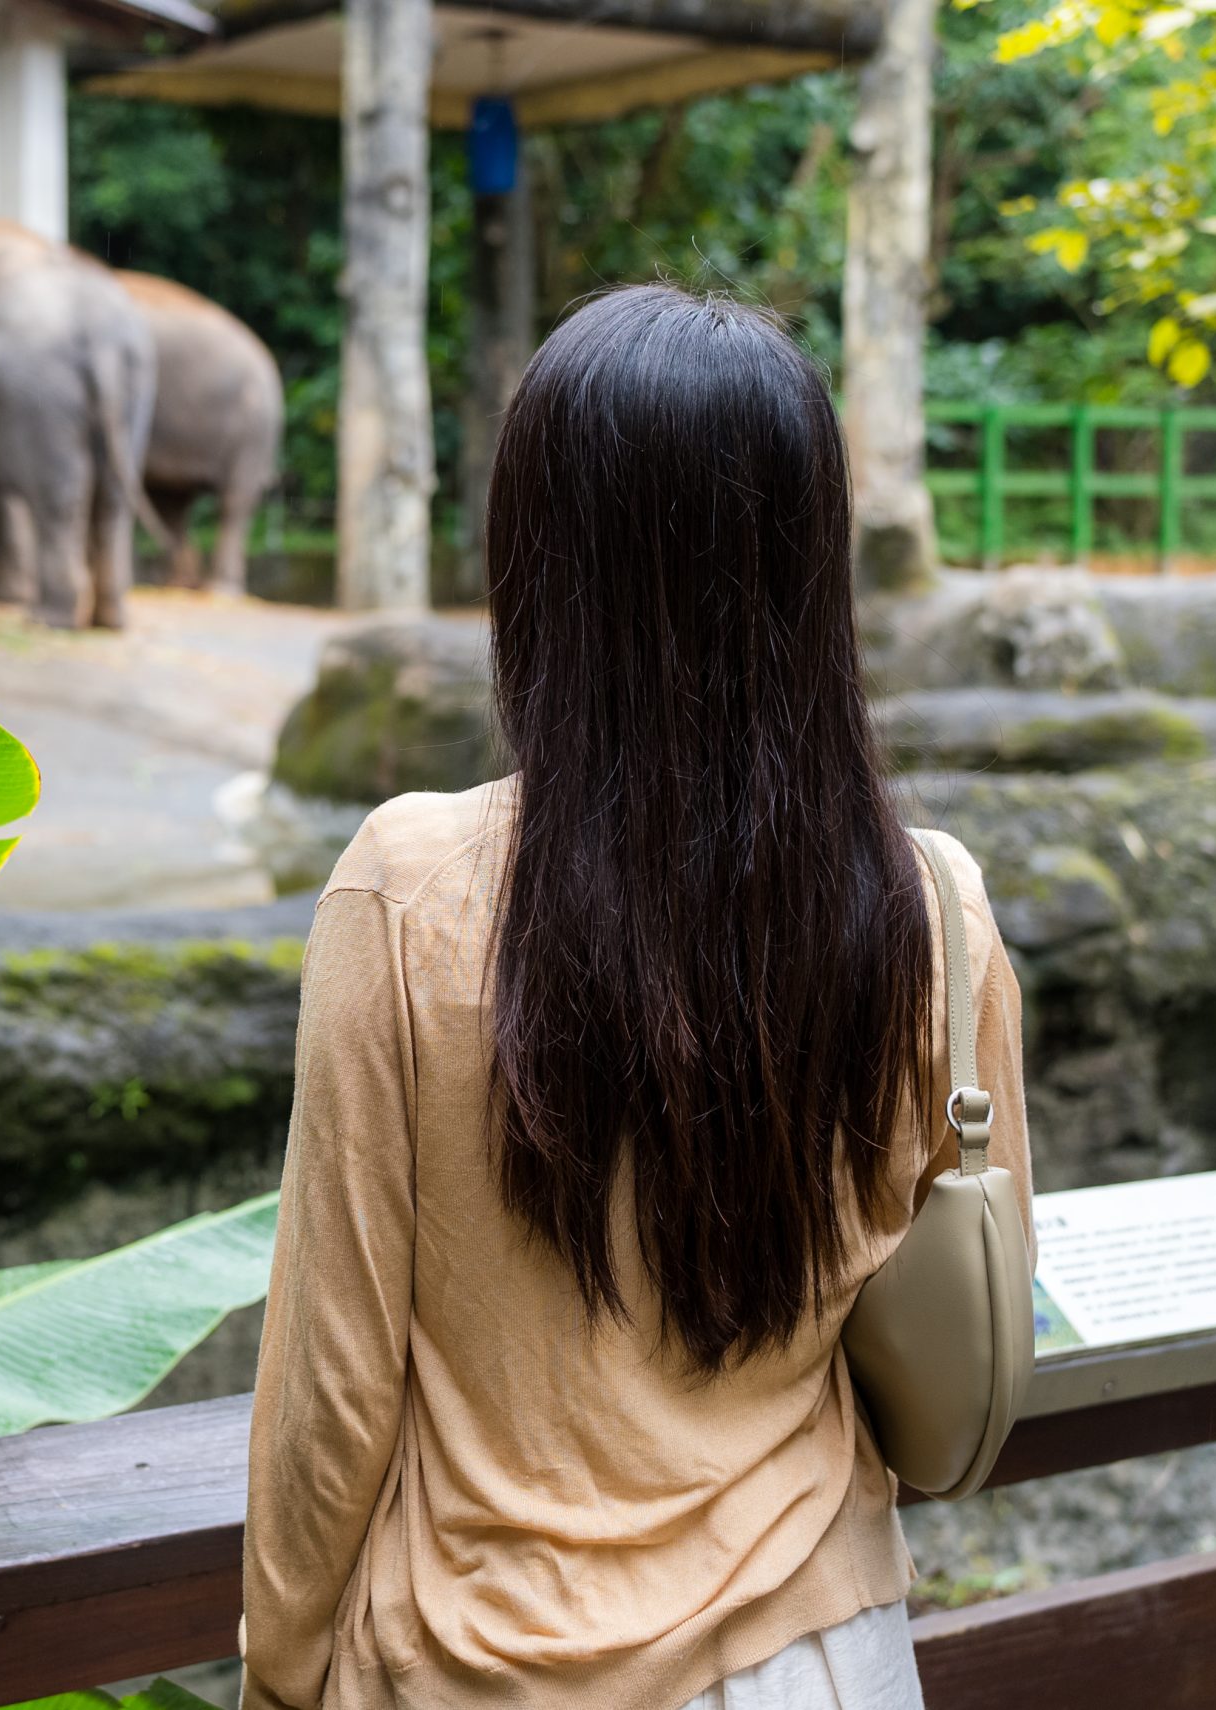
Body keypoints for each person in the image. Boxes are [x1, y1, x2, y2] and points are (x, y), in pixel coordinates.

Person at [239, 284, 1032, 1710]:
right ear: (810, 566)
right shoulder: (930, 907)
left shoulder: (406, 890)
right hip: (824, 1657)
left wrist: (282, 1671)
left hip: (487, 1665)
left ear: (535, 560)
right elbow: (980, 1280)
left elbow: (335, 1385)